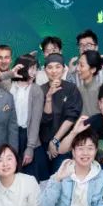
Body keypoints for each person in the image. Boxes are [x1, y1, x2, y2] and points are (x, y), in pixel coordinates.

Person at [36, 53, 81, 182]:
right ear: (45, 70)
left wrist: (55, 140)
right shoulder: (40, 90)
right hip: (43, 144)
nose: (54, 71)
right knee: (44, 182)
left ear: (63, 69)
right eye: (50, 67)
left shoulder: (71, 89)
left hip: (64, 143)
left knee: (60, 178)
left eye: (57, 67)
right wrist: (49, 97)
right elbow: (44, 120)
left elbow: (71, 117)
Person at [1, 54, 42, 173]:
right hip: (8, 134)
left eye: (36, 68)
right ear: (23, 67)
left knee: (27, 174)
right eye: (32, 68)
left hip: (26, 135)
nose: (34, 72)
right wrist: (10, 73)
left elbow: (35, 121)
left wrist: (30, 147)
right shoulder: (8, 85)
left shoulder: (36, 90)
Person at [74, 51, 103, 117]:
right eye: (78, 64)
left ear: (93, 69)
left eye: (81, 65)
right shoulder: (78, 90)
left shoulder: (101, 91)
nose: (77, 68)